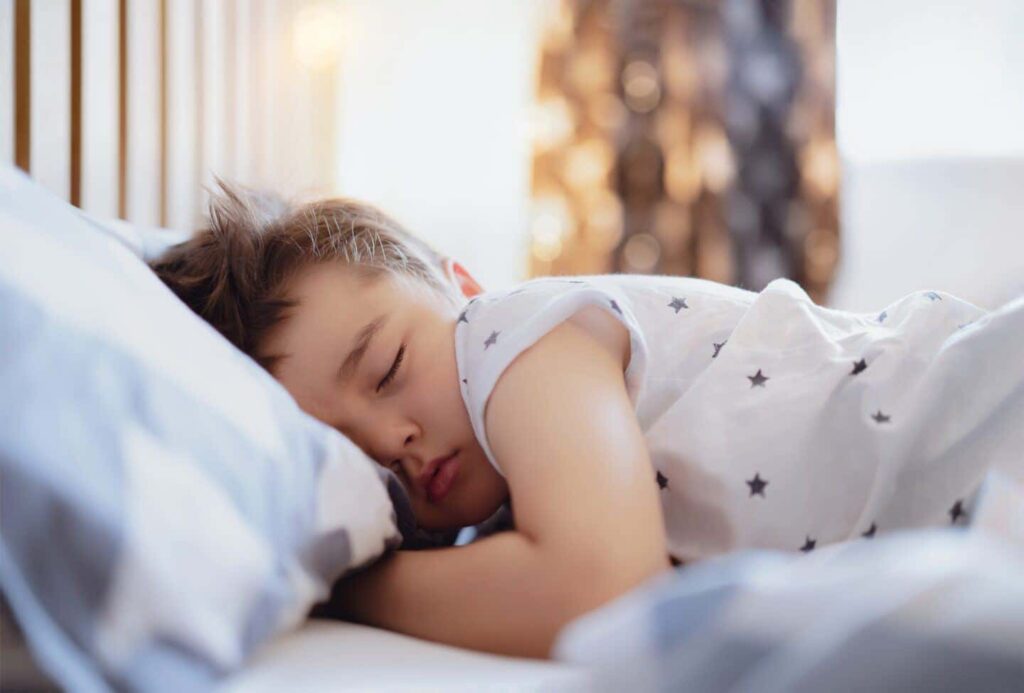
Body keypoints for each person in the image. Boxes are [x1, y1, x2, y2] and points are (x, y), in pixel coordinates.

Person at [150, 180, 1024, 660]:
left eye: (386, 369)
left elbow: (600, 583)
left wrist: (337, 584)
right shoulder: (493, 510)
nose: (391, 443)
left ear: (462, 286)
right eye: (339, 450)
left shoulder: (511, 340)